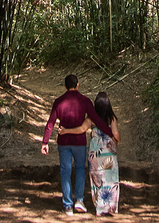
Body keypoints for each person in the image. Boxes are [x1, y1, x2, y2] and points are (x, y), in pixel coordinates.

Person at [41, 74, 115, 215]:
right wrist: (110, 133)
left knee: (65, 172)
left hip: (64, 143)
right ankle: (79, 200)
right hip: (79, 143)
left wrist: (45, 141)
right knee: (80, 169)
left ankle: (68, 205)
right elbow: (97, 120)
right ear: (78, 85)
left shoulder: (58, 101)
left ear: (65, 86)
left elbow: (50, 123)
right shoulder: (85, 101)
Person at [65, 91, 122, 216]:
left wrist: (66, 131)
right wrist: (116, 141)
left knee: (97, 179)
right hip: (108, 154)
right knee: (110, 180)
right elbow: (116, 134)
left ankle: (99, 207)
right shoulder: (111, 118)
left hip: (95, 154)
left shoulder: (91, 119)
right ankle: (110, 207)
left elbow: (81, 129)